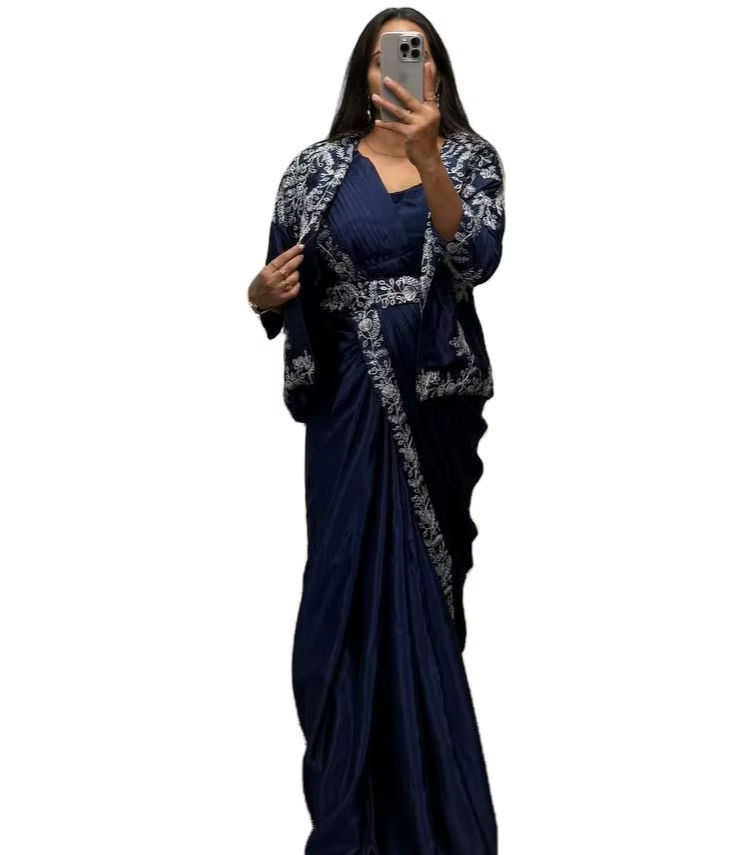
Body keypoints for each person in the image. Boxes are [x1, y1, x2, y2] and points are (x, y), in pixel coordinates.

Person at [246, 10, 505, 855]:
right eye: (385, 55)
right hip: (346, 411)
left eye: (415, 54)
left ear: (437, 73)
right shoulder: (313, 170)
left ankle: (441, 826)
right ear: (364, 74)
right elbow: (280, 281)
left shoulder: (468, 159)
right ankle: (348, 823)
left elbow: (475, 260)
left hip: (431, 407)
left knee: (422, 602)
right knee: (338, 600)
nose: (399, 67)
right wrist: (259, 297)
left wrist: (428, 157)